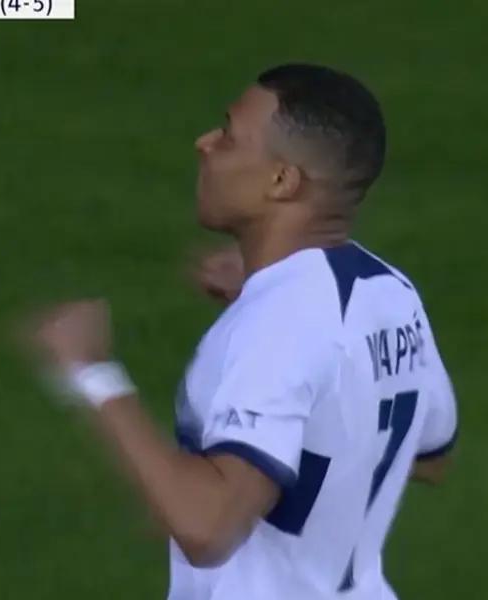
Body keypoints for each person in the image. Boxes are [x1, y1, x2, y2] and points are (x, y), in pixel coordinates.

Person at [24, 63, 458, 600]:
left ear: (282, 180)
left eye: (229, 136)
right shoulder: (389, 293)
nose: (205, 144)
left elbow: (206, 527)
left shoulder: (279, 325)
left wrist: (93, 372)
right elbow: (430, 454)